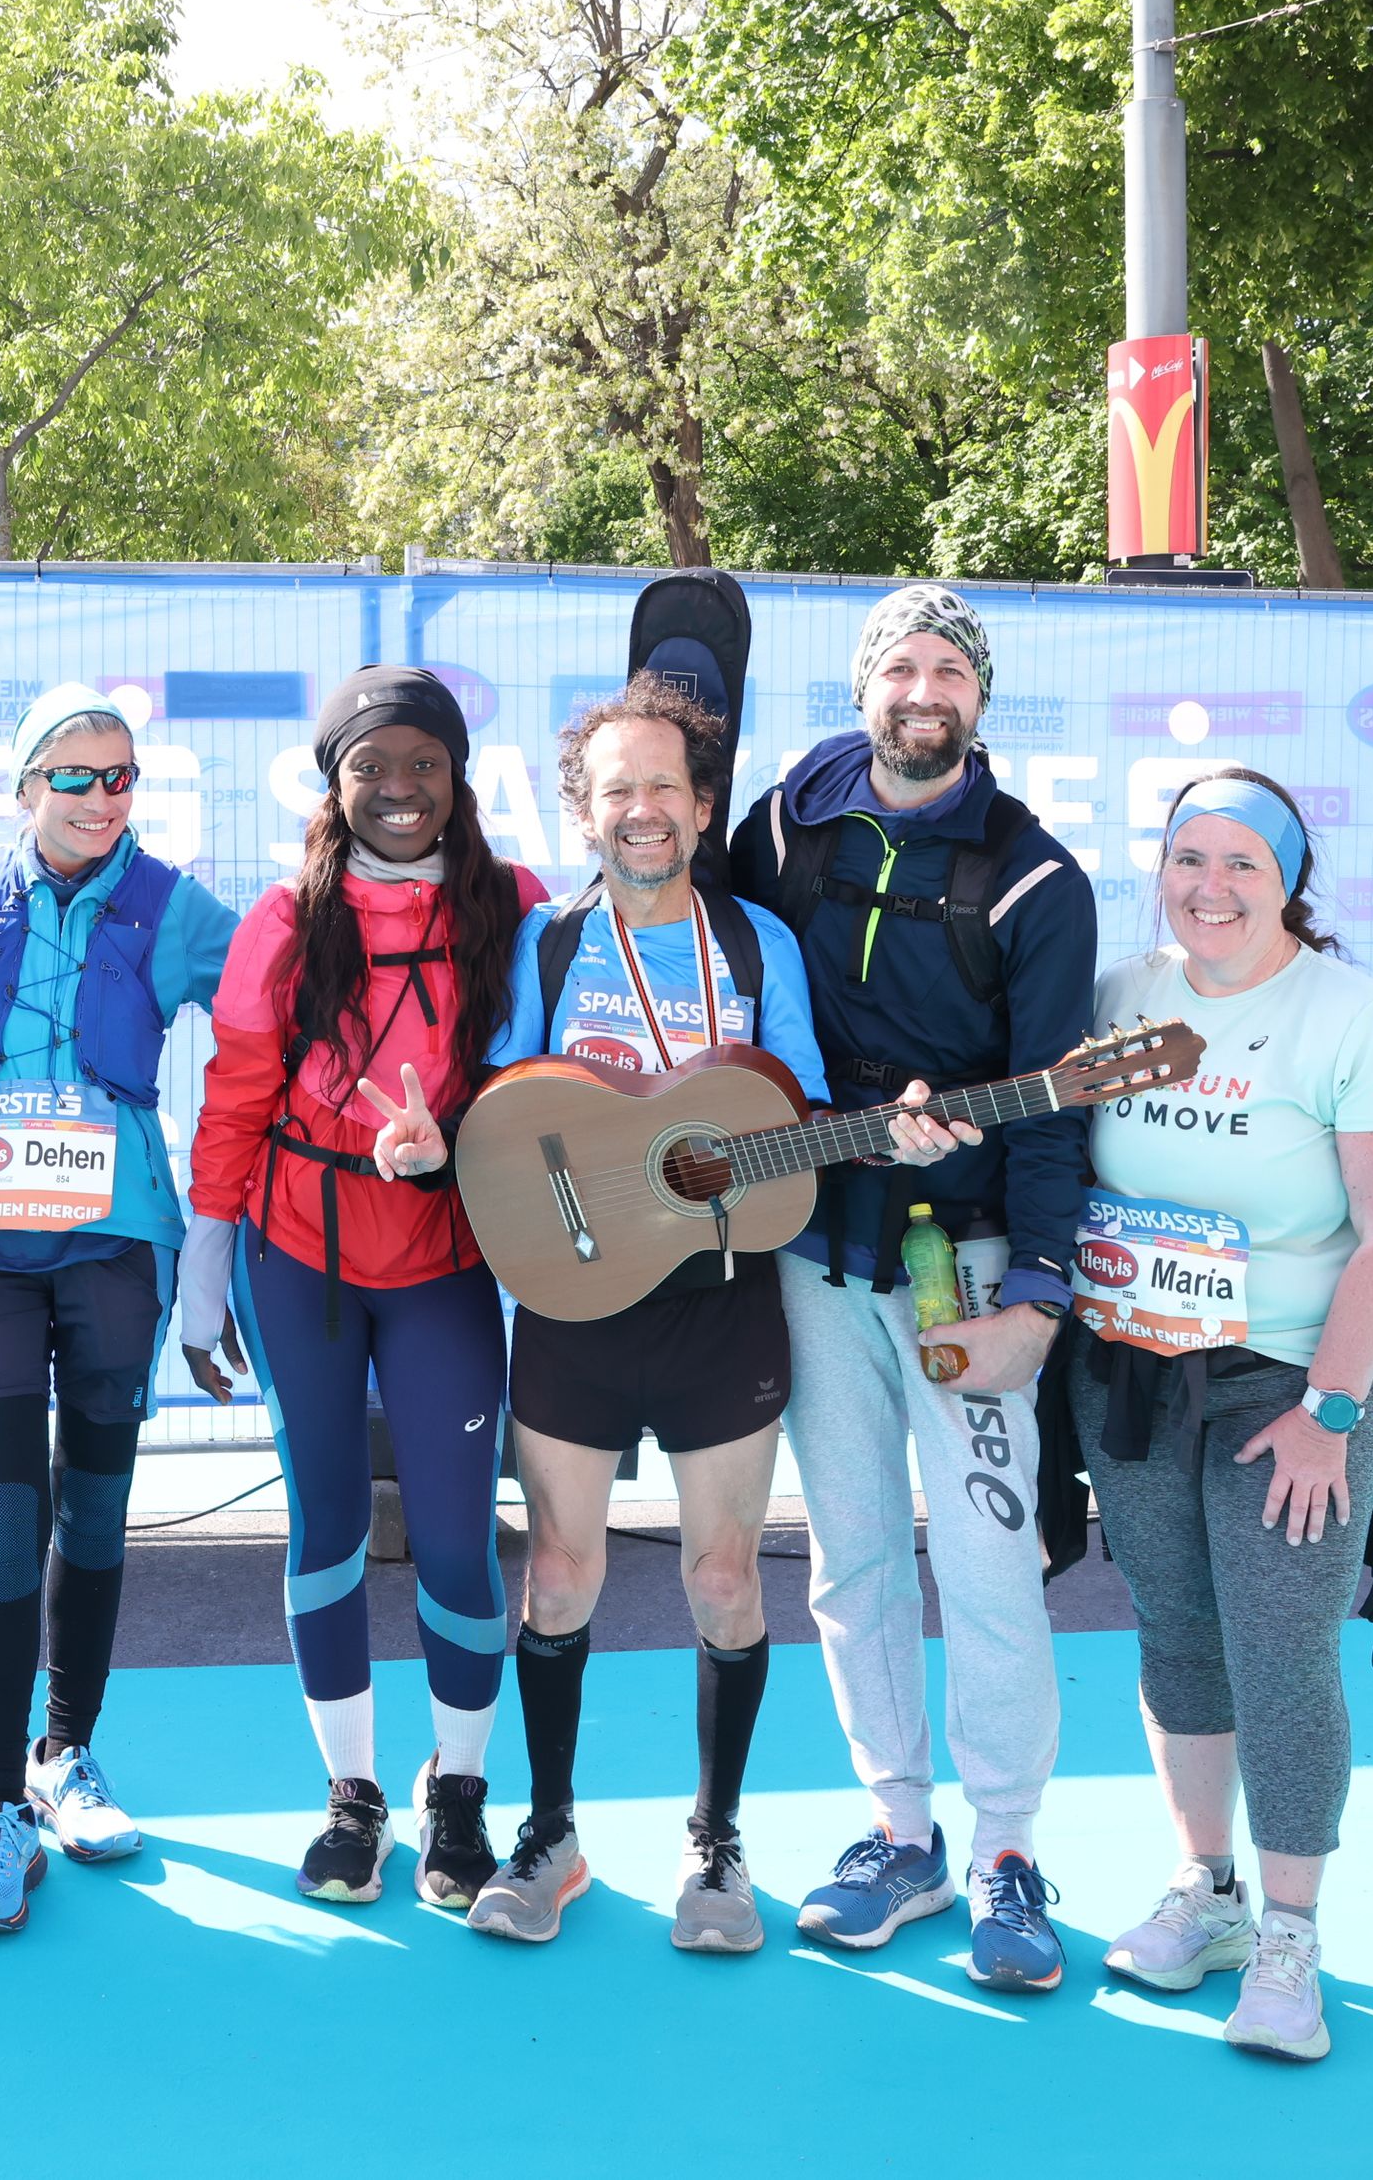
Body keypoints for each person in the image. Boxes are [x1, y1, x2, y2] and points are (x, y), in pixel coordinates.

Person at [726, 583, 1096, 1991]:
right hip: (817, 1241)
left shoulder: (1037, 877)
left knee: (993, 1557)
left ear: (980, 698)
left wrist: (1041, 1297)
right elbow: (729, 1002)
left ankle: (1006, 1849)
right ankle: (900, 1830)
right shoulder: (780, 823)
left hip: (971, 1263)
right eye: (901, 664)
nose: (922, 688)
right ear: (865, 684)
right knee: (855, 1549)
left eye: (949, 666)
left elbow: (1059, 1105)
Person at [1071, 770, 1373, 2063]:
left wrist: (1332, 1409)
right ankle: (1209, 1888)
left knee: (1281, 1651)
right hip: (1132, 1374)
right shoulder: (1125, 992)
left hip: (1291, 1385)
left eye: (1242, 862)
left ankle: (1293, 1934)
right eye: (1189, 857)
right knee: (1175, 1628)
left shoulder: (1348, 1014)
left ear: (1289, 878)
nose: (1210, 886)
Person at [465, 675, 832, 1954]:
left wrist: (879, 1131)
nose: (642, 810)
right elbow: (509, 1113)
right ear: (583, 811)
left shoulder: (755, 947)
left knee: (723, 1577)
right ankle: (551, 1833)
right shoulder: (550, 945)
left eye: (664, 787)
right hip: (571, 1293)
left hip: (720, 1302)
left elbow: (799, 1125)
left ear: (702, 804)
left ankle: (716, 1844)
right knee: (560, 1571)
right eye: (616, 788)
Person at [180, 664, 545, 1906]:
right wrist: (205, 1257)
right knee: (325, 1531)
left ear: (458, 779)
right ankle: (351, 1796)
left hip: (445, 1261)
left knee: (454, 1541)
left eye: (422, 767)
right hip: (303, 1261)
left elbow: (558, 1082)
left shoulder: (519, 908)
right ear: (332, 781)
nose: (398, 791)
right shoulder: (285, 920)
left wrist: (464, 1138)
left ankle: (458, 1795)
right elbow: (235, 1097)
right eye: (370, 768)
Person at [0, 683, 235, 1930]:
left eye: (120, 777)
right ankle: (0, 1806)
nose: (102, 799)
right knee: (7, 1521)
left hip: (115, 1245)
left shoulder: (172, 906)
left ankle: (67, 1751)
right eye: (75, 777)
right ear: (22, 788)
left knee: (98, 1511)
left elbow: (293, 978)